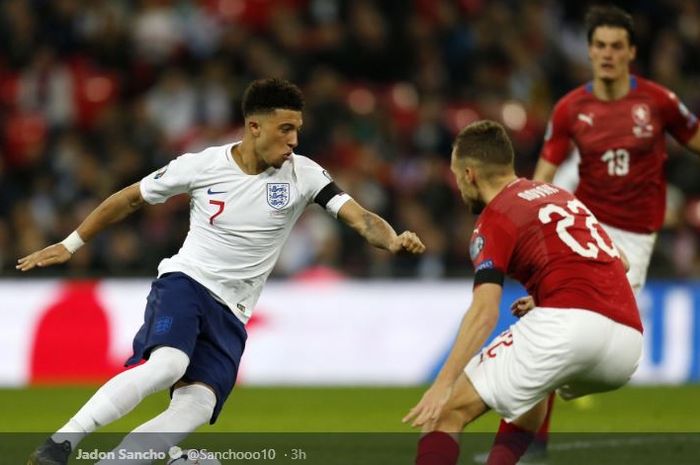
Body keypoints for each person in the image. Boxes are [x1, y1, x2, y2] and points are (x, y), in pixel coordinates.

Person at [19, 77, 426, 465]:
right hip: (186, 282)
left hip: (233, 311)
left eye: (297, 130)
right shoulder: (202, 165)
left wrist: (391, 240)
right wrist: (71, 244)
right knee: (168, 365)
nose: (294, 141)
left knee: (197, 406)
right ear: (254, 126)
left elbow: (360, 218)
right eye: (285, 129)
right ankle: (60, 444)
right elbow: (130, 199)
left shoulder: (305, 174)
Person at [402, 120, 643, 465]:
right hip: (626, 344)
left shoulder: (495, 218)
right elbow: (621, 262)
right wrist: (548, 294)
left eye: (457, 177)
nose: (458, 187)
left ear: (470, 174)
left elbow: (484, 312)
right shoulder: (559, 196)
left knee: (444, 416)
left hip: (568, 327)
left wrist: (443, 383)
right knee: (528, 399)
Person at [525, 5, 700, 459]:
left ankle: (560, 381)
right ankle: (529, 445)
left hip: (635, 239)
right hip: (583, 227)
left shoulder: (658, 103)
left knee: (601, 345)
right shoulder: (570, 109)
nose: (606, 54)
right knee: (553, 325)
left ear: (631, 52)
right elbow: (543, 176)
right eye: (599, 46)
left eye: (616, 46)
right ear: (589, 51)